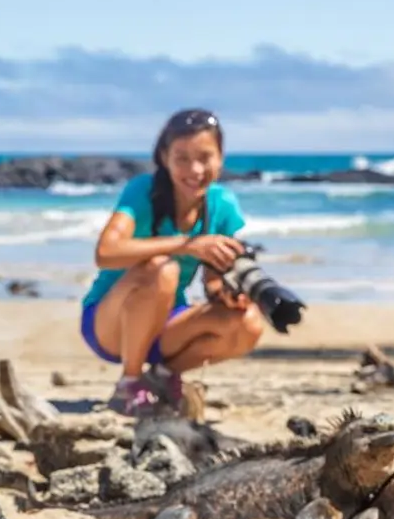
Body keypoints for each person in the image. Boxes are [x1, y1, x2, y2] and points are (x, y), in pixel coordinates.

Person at [79, 108, 266, 416]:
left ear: (220, 157)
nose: (194, 169)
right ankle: (129, 383)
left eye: (205, 157)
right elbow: (106, 252)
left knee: (248, 323)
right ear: (164, 157)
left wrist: (228, 295)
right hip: (109, 323)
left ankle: (162, 378)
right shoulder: (143, 191)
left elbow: (212, 282)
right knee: (162, 269)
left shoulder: (221, 205)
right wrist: (188, 245)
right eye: (182, 158)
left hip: (167, 325)